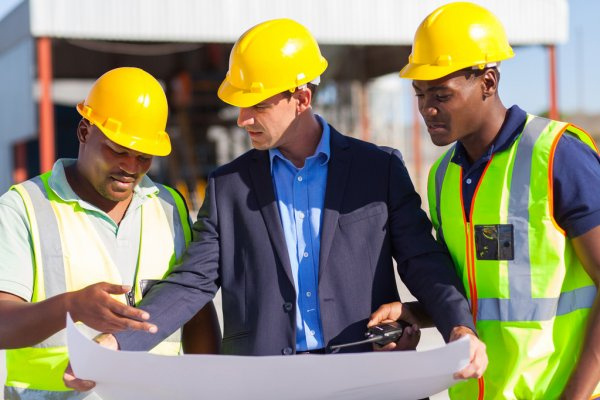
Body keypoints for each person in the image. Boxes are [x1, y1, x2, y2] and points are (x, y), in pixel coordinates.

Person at [66, 18, 487, 392]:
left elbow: (423, 260)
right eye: (241, 104)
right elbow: (190, 283)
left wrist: (459, 327)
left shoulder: (378, 170)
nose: (242, 119)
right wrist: (117, 342)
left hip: (366, 376)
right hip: (263, 384)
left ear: (301, 99)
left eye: (258, 105)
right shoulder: (229, 186)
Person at [370, 2, 600, 399]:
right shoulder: (444, 176)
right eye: (420, 93)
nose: (427, 108)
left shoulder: (558, 155)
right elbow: (481, 295)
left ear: (488, 83)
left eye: (442, 94)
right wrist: (416, 314)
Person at [0, 67, 221, 399]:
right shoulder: (25, 207)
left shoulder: (168, 205)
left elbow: (196, 310)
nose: (130, 167)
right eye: (118, 150)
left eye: (143, 156)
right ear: (85, 131)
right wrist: (71, 307)